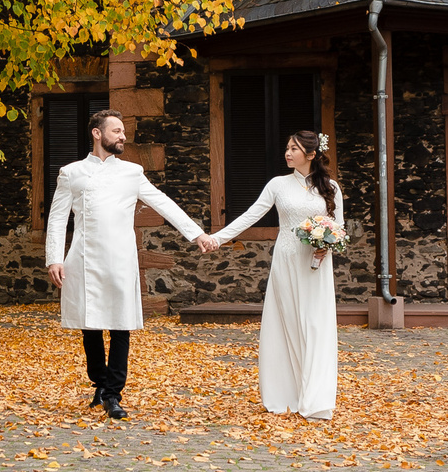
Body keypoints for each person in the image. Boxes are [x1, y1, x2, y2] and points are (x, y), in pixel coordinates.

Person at [45, 109, 208, 419]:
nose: (122, 136)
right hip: (82, 257)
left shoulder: (132, 172)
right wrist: (54, 258)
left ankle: (113, 392)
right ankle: (100, 382)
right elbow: (56, 218)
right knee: (89, 324)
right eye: (116, 131)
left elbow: (163, 203)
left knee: (121, 324)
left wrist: (196, 234)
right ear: (97, 133)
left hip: (121, 257)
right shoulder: (71, 172)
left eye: (122, 131)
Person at [199, 130, 343, 420]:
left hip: (316, 265)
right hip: (287, 260)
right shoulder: (278, 185)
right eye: (287, 147)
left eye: (294, 148)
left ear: (312, 154)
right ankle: (286, 393)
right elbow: (251, 215)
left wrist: (326, 247)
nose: (287, 153)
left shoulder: (330, 188)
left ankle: (315, 397)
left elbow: (339, 226)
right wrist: (217, 238)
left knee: (315, 325)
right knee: (288, 322)